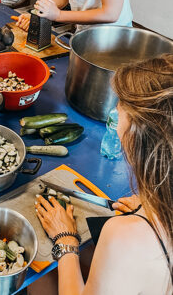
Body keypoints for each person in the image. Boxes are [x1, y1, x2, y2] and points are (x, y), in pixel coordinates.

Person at [34, 54, 173, 295]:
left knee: (41, 279)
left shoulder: (123, 236)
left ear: (135, 133)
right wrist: (148, 207)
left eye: (119, 111)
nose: (115, 118)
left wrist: (66, 240)